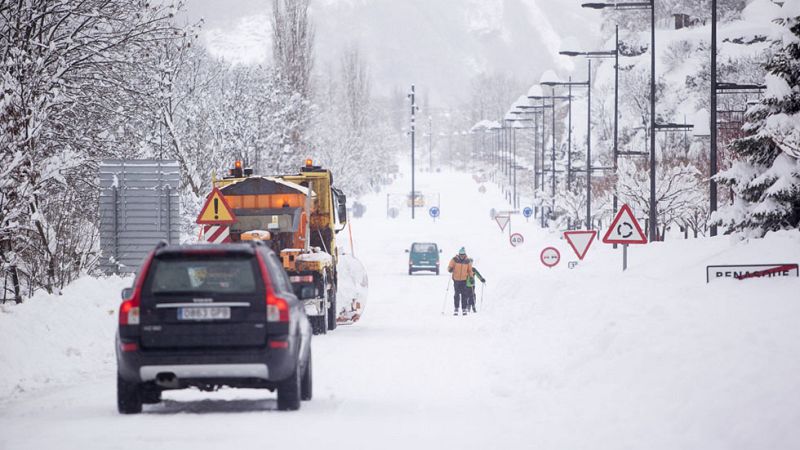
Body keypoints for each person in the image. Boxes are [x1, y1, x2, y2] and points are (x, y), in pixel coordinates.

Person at [447, 247, 474, 316]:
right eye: (461, 254)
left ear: (465, 254)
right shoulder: (455, 259)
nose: (462, 256)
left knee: (464, 295)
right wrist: (450, 269)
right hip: (456, 279)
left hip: (464, 280)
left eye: (463, 254)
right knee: (456, 294)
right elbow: (449, 266)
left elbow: (470, 270)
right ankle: (456, 308)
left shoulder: (467, 261)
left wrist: (471, 277)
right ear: (459, 254)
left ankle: (464, 309)